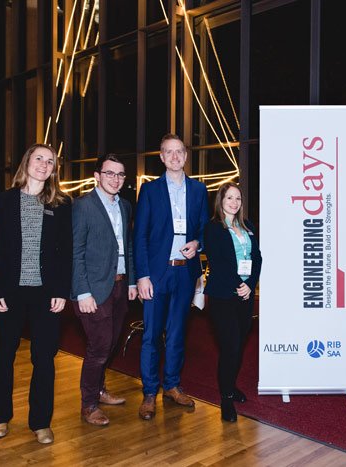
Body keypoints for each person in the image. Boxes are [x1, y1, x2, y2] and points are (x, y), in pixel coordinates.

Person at [0, 143, 72, 445]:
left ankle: (40, 422)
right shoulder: (6, 200)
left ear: (53, 170)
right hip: (9, 292)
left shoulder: (61, 204)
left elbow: (66, 253)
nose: (44, 164)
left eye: (50, 161)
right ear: (27, 163)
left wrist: (63, 290)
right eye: (39, 158)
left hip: (46, 294)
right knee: (2, 356)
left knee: (44, 359)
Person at [134, 133, 209, 420]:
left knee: (178, 333)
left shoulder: (199, 190)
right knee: (152, 335)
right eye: (169, 152)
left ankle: (172, 385)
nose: (175, 157)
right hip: (156, 273)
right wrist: (142, 276)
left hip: (184, 273)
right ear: (162, 157)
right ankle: (150, 392)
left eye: (179, 152)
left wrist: (198, 244)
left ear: (185, 156)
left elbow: (204, 228)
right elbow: (139, 235)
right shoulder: (150, 191)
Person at [71, 154, 137, 426]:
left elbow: (128, 246)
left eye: (120, 174)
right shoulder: (83, 206)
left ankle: (99, 389)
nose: (115, 179)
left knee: (110, 343)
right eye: (110, 173)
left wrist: (131, 281)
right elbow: (75, 253)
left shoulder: (124, 206)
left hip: (120, 286)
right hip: (94, 290)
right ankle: (88, 404)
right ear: (96, 176)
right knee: (99, 347)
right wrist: (82, 292)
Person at [203, 182, 262, 422]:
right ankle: (226, 398)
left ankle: (231, 386)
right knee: (230, 347)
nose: (234, 202)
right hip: (223, 296)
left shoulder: (247, 225)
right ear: (221, 200)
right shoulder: (214, 227)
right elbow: (219, 262)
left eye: (238, 198)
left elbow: (257, 257)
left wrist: (251, 284)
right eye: (230, 198)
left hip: (245, 296)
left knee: (238, 347)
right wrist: (240, 284)